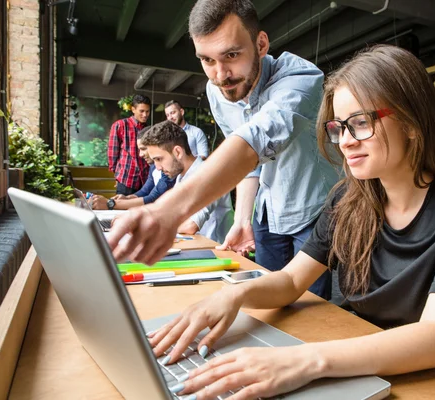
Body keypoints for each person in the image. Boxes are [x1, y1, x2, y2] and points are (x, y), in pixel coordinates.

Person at [145, 45, 435, 399]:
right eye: (340, 127)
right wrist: (233, 294)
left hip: (429, 382)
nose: (346, 142)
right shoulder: (347, 199)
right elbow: (290, 279)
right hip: (350, 361)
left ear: (411, 122)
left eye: (361, 123)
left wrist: (304, 361)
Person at [108, 0, 338, 299]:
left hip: (314, 212)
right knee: (268, 299)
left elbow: (253, 142)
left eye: (231, 55)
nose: (220, 75)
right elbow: (249, 164)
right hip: (266, 212)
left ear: (261, 43)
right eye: (207, 60)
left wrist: (168, 211)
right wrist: (243, 218)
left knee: (310, 307)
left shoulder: (301, 78)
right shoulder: (217, 92)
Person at [142, 120, 233, 244]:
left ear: (178, 152)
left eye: (159, 159)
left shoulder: (210, 174)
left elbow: (190, 226)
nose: (157, 167)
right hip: (197, 246)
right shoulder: (181, 177)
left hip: (217, 252)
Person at [91, 127, 175, 210]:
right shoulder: (153, 166)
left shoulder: (168, 167)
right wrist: (127, 198)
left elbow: (152, 199)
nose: (140, 154)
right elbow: (145, 191)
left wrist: (110, 204)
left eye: (143, 149)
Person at [108, 94, 151, 195]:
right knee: (123, 209)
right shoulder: (120, 125)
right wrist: (117, 176)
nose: (145, 115)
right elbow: (112, 154)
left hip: (145, 181)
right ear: (133, 109)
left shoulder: (149, 130)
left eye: (147, 111)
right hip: (126, 179)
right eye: (142, 111)